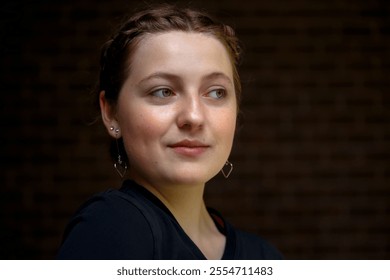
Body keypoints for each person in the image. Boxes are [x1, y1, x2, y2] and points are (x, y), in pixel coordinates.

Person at [57, 3, 283, 260]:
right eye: (163, 91)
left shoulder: (263, 257)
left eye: (215, 92)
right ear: (111, 112)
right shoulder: (111, 227)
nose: (194, 117)